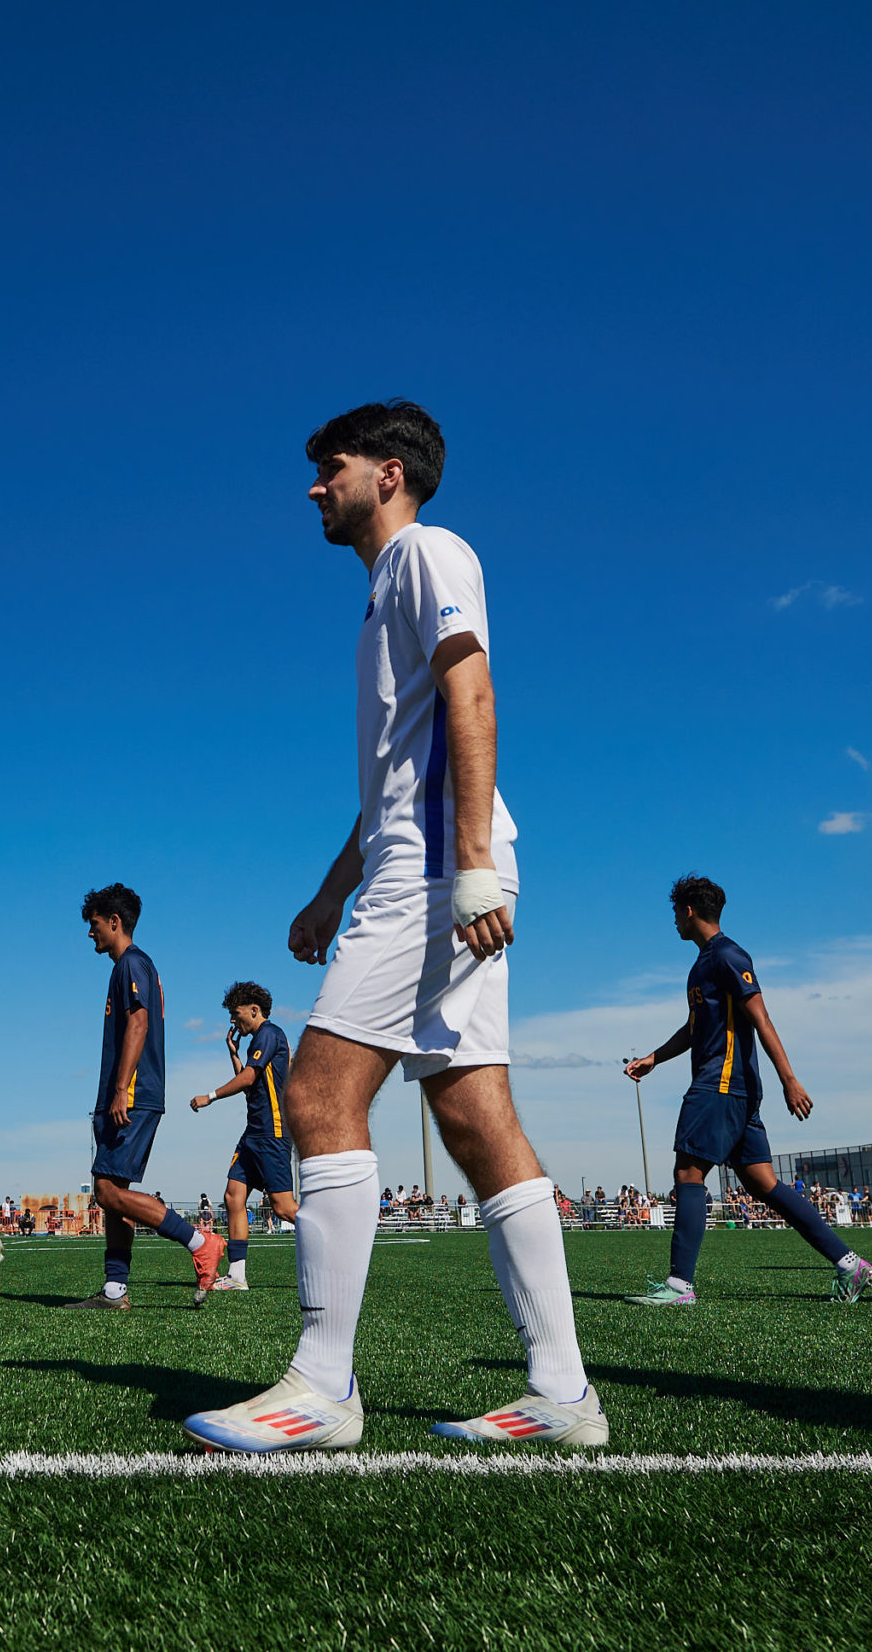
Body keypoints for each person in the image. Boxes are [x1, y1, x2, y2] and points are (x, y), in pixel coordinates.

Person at [184, 401, 602, 1453]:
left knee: (321, 1093)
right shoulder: (384, 589)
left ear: (388, 473)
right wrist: (333, 889)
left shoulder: (428, 552)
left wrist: (463, 867)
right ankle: (564, 1393)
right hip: (419, 857)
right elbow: (396, 774)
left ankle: (322, 1386)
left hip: (436, 868)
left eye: (328, 468)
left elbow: (473, 692)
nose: (312, 487)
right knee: (472, 1116)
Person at [624, 875, 872, 1306]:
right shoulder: (704, 963)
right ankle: (850, 1264)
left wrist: (790, 1079)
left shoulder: (726, 955)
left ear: (688, 911)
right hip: (734, 1089)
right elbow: (694, 1028)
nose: (673, 922)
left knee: (688, 1173)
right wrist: (654, 1057)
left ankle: (679, 1286)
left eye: (674, 913)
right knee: (763, 1184)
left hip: (720, 1085)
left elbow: (761, 1018)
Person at [67, 884, 225, 1309]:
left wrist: (120, 1089)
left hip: (133, 1094)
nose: (90, 933)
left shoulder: (132, 964)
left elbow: (138, 1024)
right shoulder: (131, 966)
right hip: (129, 1094)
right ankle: (115, 1291)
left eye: (94, 924)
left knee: (106, 1191)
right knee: (112, 1189)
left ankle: (200, 1242)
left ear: (114, 923)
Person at [189, 980, 299, 1291]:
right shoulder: (257, 1042)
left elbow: (249, 1077)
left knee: (283, 1207)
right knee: (233, 1196)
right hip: (253, 1133)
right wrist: (233, 1053)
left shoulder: (269, 1033)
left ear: (254, 1010)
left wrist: (209, 1096)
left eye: (237, 1015)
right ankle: (237, 1276)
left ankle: (334, 1245)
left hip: (272, 1131)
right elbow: (249, 1081)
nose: (233, 1022)